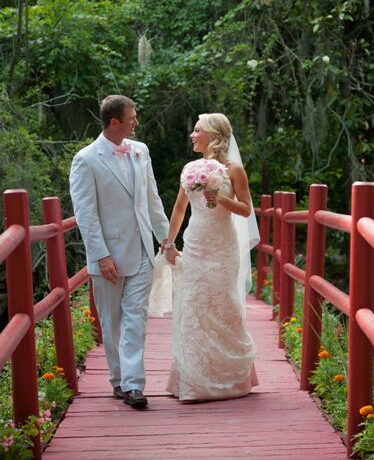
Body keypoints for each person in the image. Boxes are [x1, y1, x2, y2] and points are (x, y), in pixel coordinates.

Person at [69, 95, 169, 409]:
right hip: (108, 256)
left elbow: (152, 200)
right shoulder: (86, 159)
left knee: (135, 319)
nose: (135, 122)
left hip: (142, 253)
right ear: (115, 122)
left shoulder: (141, 151)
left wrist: (166, 240)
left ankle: (133, 386)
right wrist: (101, 255)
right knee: (111, 322)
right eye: (132, 117)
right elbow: (86, 214)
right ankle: (118, 380)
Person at [164, 113, 259, 402]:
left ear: (214, 135)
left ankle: (230, 379)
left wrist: (221, 199)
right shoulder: (190, 168)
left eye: (197, 130)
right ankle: (193, 381)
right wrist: (168, 243)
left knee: (224, 306)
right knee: (194, 307)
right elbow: (180, 209)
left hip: (223, 247)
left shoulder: (234, 170)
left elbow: (245, 210)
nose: (192, 135)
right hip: (195, 244)